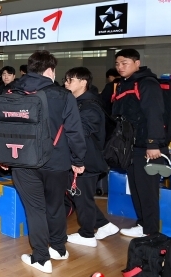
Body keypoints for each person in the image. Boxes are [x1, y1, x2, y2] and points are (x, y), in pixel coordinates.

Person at [3, 50, 86, 274]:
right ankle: (58, 248)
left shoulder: (12, 92)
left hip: (22, 160)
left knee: (35, 209)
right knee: (56, 205)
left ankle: (41, 258)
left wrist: (4, 157)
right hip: (57, 161)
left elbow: (4, 129)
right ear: (50, 70)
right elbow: (75, 132)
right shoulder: (63, 95)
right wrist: (78, 159)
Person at [112, 49, 168, 238]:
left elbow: (155, 114)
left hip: (148, 147)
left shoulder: (147, 83)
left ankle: (151, 233)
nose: (120, 67)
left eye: (124, 63)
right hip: (132, 147)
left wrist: (153, 144)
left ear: (137, 63)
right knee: (136, 188)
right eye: (118, 63)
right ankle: (143, 225)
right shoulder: (124, 84)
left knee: (148, 192)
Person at [63, 67, 118, 247]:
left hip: (86, 161)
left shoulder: (89, 107)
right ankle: (104, 225)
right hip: (84, 159)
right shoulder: (79, 103)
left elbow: (80, 134)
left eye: (70, 80)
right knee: (79, 195)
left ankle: (87, 235)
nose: (66, 83)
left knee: (81, 197)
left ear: (83, 82)